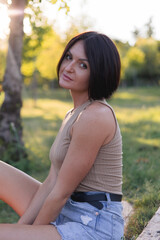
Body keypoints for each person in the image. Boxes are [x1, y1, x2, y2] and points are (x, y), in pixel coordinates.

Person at [0, 31, 124, 240]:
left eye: (83, 65)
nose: (69, 67)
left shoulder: (96, 116)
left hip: (94, 224)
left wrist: (27, 234)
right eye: (69, 57)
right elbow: (52, 181)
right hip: (70, 207)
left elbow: (60, 193)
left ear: (99, 73)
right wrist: (22, 228)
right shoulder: (75, 113)